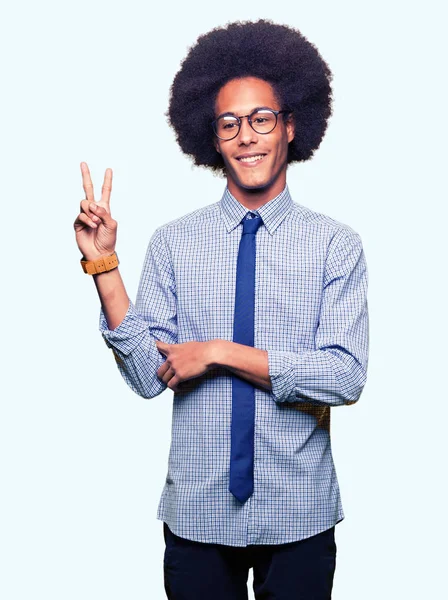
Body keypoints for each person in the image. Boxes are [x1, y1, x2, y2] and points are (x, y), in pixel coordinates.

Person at [73, 18, 369, 600]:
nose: (246, 137)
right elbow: (145, 376)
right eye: (229, 123)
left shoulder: (336, 244)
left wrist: (219, 353)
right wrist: (105, 267)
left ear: (289, 127)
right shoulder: (173, 243)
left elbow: (344, 376)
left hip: (299, 515)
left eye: (261, 119)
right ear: (211, 137)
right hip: (198, 519)